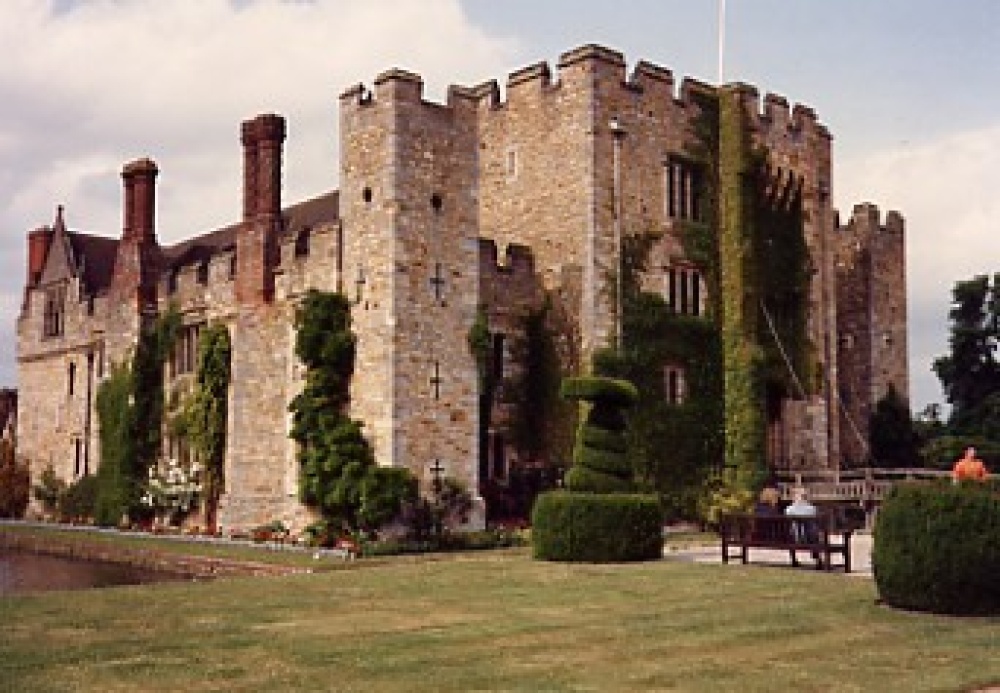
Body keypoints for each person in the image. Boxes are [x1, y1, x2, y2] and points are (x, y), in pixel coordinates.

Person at [784, 486, 821, 568]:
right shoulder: (812, 509)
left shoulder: (789, 509)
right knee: (813, 533)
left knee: (792, 531)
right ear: (805, 497)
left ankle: (793, 559)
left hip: (795, 538)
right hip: (809, 539)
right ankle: (818, 559)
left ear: (794, 497)